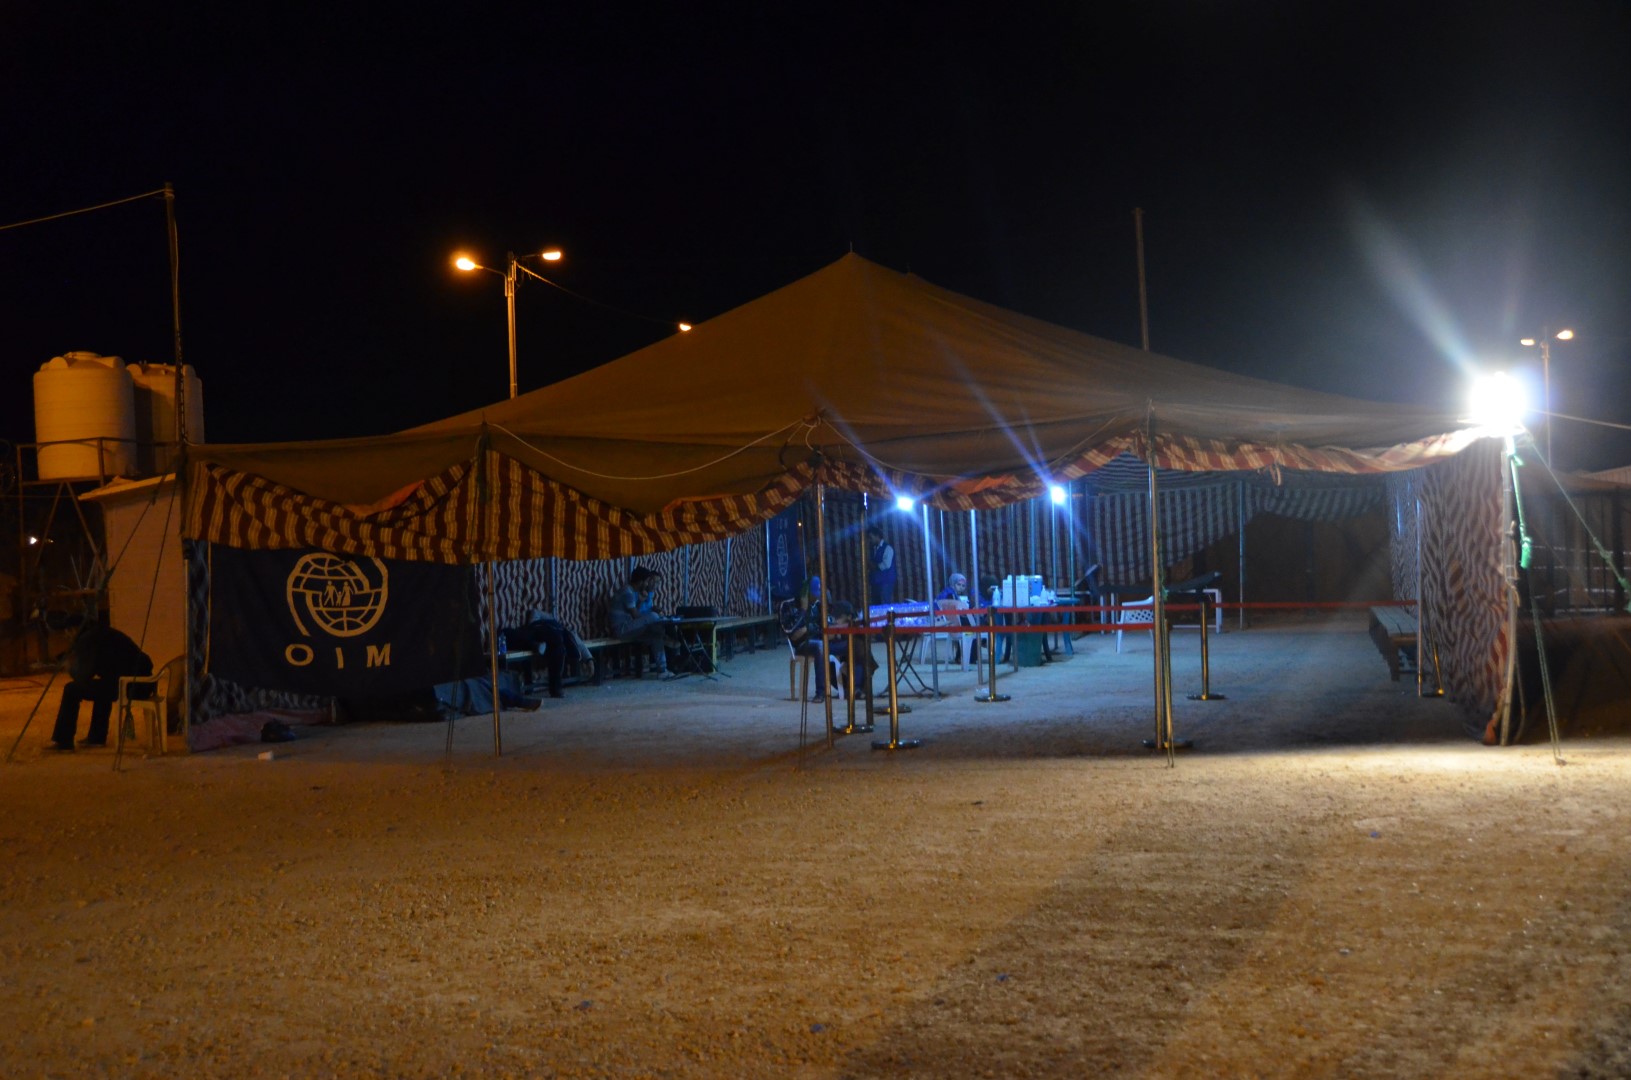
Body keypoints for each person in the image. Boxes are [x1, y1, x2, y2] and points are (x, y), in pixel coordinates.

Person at [50, 624, 153, 751]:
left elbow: (83, 675)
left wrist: (70, 666)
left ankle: (63, 740)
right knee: (102, 686)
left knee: (71, 689)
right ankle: (96, 737)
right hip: (143, 684)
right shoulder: (101, 632)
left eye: (67, 631)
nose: (67, 636)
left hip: (130, 686)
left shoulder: (87, 639)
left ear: (73, 629)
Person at [606, 566, 676, 678]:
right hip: (621, 630)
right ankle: (668, 637)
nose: (648, 584)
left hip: (629, 629)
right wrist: (652, 616)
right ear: (640, 582)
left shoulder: (631, 592)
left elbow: (635, 613)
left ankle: (662, 670)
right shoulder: (627, 592)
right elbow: (635, 615)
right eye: (647, 581)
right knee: (654, 616)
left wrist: (640, 602)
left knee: (656, 634)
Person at [504, 609, 570, 698]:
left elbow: (577, 643)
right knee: (509, 633)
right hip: (536, 632)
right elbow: (535, 612)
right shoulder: (551, 620)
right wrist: (533, 624)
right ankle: (556, 689)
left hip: (548, 638)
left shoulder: (562, 630)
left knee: (558, 648)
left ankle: (536, 646)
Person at [867, 525, 897, 605]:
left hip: (885, 582)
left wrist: (872, 566)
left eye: (871, 537)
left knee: (884, 606)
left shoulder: (888, 548)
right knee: (876, 606)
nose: (870, 540)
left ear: (877, 536)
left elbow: (886, 565)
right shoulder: (873, 549)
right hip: (875, 583)